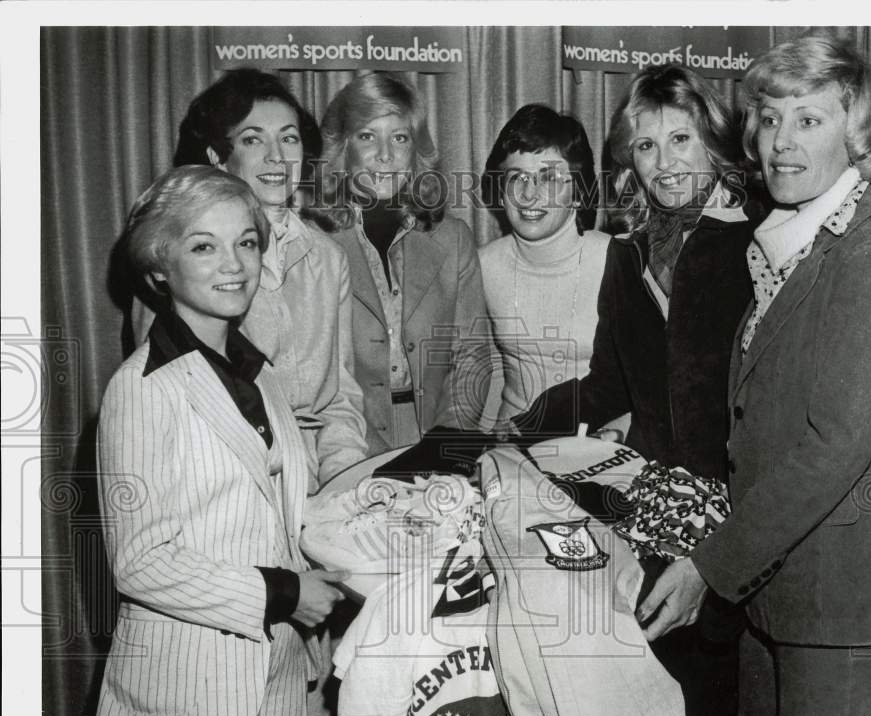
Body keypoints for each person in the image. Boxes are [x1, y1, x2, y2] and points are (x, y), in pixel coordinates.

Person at [638, 35, 871, 716]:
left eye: (810, 119)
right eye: (770, 119)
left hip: (842, 613)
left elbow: (832, 450)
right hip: (772, 601)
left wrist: (707, 568)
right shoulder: (790, 245)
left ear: (857, 133)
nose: (781, 142)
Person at [510, 65, 764, 716]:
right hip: (651, 520)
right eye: (647, 147)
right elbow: (605, 387)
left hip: (741, 531)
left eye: (681, 139)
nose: (665, 162)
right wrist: (517, 433)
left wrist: (719, 553)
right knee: (655, 712)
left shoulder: (759, 242)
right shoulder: (627, 257)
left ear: (713, 143)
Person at [95, 166, 347, 716]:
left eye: (247, 243)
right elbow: (141, 562)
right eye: (203, 246)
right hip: (185, 696)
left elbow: (274, 517)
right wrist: (285, 594)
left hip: (277, 682)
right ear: (159, 265)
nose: (234, 264)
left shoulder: (260, 375)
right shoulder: (142, 386)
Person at [133, 68, 367, 495]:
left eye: (289, 138)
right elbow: (169, 415)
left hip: (322, 479)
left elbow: (340, 399)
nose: (277, 156)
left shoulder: (330, 258)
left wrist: (342, 486)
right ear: (219, 158)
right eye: (253, 139)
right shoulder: (181, 262)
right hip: (230, 489)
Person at [315, 72, 491, 457]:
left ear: (416, 151)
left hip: (439, 435)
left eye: (399, 137)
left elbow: (471, 357)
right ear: (343, 150)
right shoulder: (315, 245)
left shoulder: (453, 238)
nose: (385, 155)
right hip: (348, 443)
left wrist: (445, 444)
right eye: (367, 136)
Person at [478, 104, 613, 429]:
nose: (528, 195)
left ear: (579, 192)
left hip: (597, 446)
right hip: (511, 446)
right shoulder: (482, 264)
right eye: (517, 178)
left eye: (549, 179)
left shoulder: (618, 260)